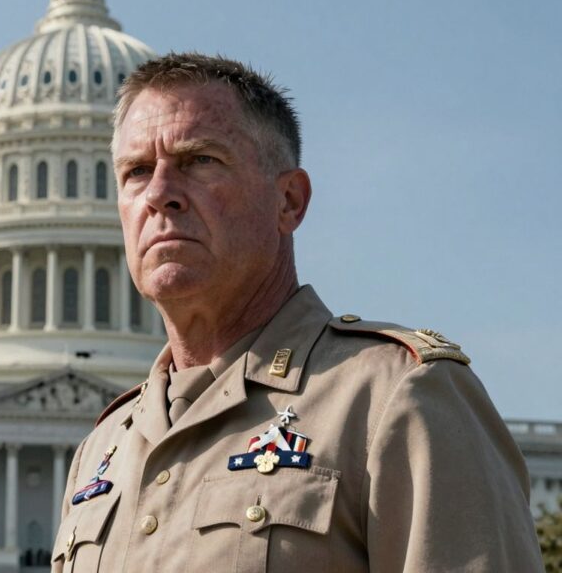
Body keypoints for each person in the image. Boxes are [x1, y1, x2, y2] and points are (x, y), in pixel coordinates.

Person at [51, 52, 543, 572]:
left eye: (200, 160)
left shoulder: (394, 399)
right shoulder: (102, 448)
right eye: (136, 172)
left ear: (289, 201)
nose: (160, 194)